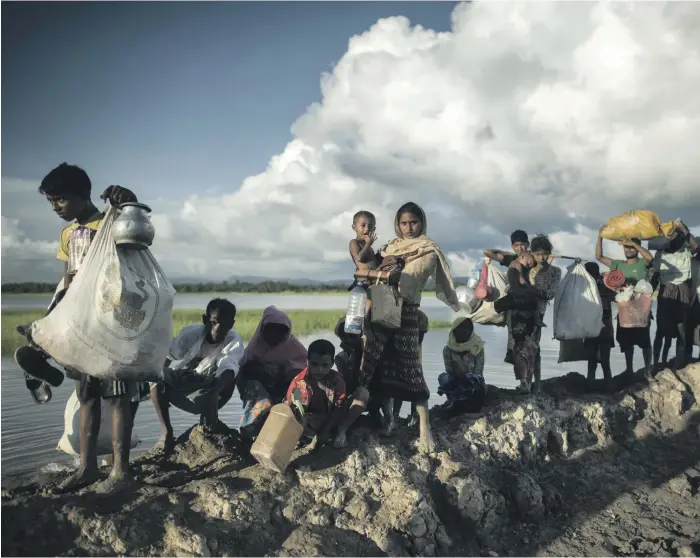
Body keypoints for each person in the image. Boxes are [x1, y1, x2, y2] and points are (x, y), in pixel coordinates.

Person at [15, 163, 145, 494]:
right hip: (82, 324)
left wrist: (127, 202)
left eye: (60, 199)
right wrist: (50, 319)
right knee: (87, 395)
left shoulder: (111, 222)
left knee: (117, 399)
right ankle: (86, 468)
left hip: (112, 322)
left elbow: (139, 237)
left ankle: (120, 472)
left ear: (82, 195)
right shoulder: (68, 234)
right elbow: (69, 280)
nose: (56, 206)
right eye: (51, 201)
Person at [337, 202, 460, 454]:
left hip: (407, 313)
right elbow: (365, 272)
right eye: (403, 223)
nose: (408, 228)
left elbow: (407, 280)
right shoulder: (390, 246)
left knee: (410, 367)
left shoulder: (428, 249)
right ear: (397, 224)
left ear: (422, 223)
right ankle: (388, 421)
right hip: (381, 309)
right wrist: (383, 269)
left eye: (413, 222)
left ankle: (425, 430)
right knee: (372, 364)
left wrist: (380, 272)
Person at [150, 298, 244, 454]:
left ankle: (210, 425)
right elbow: (169, 356)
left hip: (215, 389)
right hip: (189, 384)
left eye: (224, 325)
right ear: (205, 320)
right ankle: (166, 433)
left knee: (224, 380)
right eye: (213, 323)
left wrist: (214, 390)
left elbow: (229, 368)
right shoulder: (190, 334)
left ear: (231, 325)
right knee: (155, 384)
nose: (218, 329)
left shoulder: (233, 341)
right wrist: (157, 376)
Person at [237, 306, 307, 439]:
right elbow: (244, 372)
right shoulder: (255, 348)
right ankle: (247, 431)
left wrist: (285, 376)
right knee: (263, 402)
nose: (274, 335)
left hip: (283, 386)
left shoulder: (292, 346)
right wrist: (264, 374)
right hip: (257, 388)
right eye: (270, 330)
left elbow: (304, 370)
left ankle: (294, 433)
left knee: (297, 395)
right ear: (263, 329)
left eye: (279, 331)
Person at [596, 231, 654, 376]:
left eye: (632, 247)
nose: (629, 249)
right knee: (626, 341)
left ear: (637, 248)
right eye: (626, 247)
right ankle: (629, 369)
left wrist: (633, 242)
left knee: (645, 341)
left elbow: (650, 257)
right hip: (625, 310)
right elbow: (599, 257)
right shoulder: (618, 264)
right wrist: (600, 236)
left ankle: (648, 369)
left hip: (641, 309)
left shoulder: (642, 263)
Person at [651, 221, 698, 371]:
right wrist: (647, 295)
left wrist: (684, 230)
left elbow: (697, 247)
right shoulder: (660, 254)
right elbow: (656, 275)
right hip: (666, 292)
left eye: (677, 236)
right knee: (660, 331)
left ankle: (678, 364)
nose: (673, 239)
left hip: (683, 291)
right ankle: (656, 362)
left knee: (681, 330)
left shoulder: (687, 252)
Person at [286, 339, 346, 448]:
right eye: (314, 364)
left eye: (325, 365)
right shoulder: (299, 381)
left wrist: (325, 431)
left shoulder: (337, 381)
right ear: (307, 362)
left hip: (329, 419)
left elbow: (338, 408)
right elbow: (291, 408)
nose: (319, 369)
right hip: (307, 420)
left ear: (332, 364)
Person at [437, 317, 486, 416]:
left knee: (478, 384)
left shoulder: (477, 347)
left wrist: (468, 377)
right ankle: (453, 400)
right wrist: (459, 377)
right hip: (456, 380)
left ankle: (467, 401)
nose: (464, 332)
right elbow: (449, 369)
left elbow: (478, 371)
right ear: (454, 331)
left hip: (473, 381)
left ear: (471, 330)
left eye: (467, 328)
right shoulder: (448, 349)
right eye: (461, 328)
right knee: (443, 378)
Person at [583, 262, 616, 390]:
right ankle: (609, 388)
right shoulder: (605, 285)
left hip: (595, 329)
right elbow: (614, 297)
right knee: (604, 361)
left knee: (592, 362)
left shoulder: (586, 286)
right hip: (604, 329)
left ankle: (590, 388)